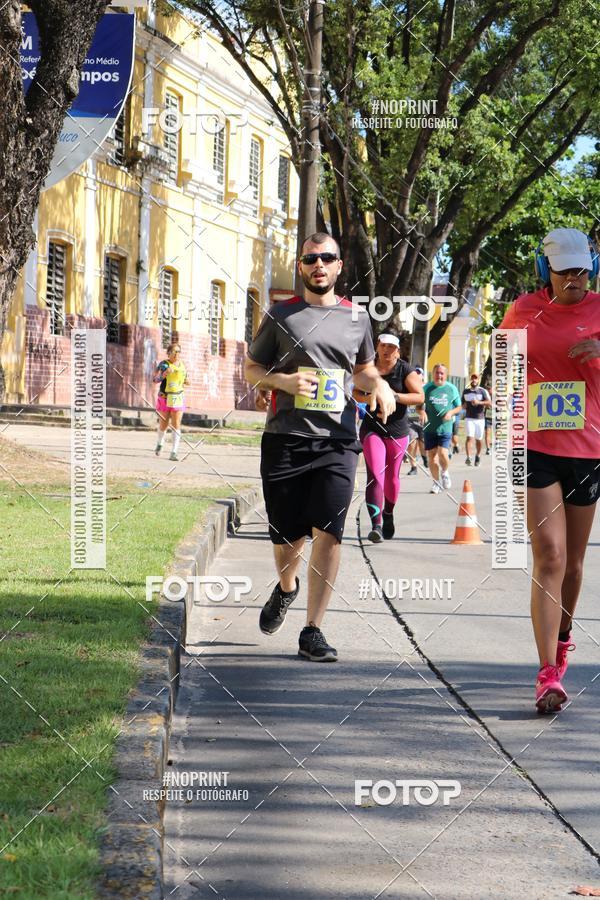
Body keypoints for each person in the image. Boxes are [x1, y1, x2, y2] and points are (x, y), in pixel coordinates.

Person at [244, 232, 396, 662]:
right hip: (285, 438)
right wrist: (282, 381)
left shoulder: (356, 319)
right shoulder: (281, 315)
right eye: (311, 258)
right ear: (301, 266)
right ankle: (286, 588)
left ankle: (313, 630)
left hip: (338, 442)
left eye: (327, 257)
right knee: (287, 537)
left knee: (329, 531)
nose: (319, 265)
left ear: (339, 265)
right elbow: (252, 367)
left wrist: (380, 386)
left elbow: (363, 371)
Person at [499, 227, 600, 713]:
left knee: (575, 564)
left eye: (583, 270)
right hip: (534, 445)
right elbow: (502, 367)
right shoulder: (522, 309)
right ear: (546, 272)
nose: (576, 279)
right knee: (551, 556)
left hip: (586, 448)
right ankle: (546, 675)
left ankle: (562, 640)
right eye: (566, 272)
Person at [353, 334, 424, 542]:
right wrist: (370, 398)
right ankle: (376, 525)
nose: (386, 350)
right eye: (383, 345)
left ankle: (388, 513)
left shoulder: (406, 370)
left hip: (397, 431)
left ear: (398, 351)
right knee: (375, 473)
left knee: (392, 477)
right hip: (371, 428)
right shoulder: (368, 368)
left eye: (391, 347)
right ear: (377, 347)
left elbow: (419, 396)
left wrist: (394, 397)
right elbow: (355, 391)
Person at [422, 364, 463, 493]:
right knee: (432, 456)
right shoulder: (426, 388)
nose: (439, 375)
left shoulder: (451, 388)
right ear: (433, 374)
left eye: (441, 373)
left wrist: (451, 413)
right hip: (429, 427)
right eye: (437, 373)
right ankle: (436, 483)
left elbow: (459, 407)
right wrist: (421, 412)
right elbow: (418, 405)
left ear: (445, 375)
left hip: (445, 426)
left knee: (443, 453)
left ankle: (445, 472)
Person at [154, 342, 190, 461]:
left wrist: (187, 381)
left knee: (176, 424)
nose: (176, 354)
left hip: (178, 397)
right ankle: (160, 443)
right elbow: (155, 379)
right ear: (168, 353)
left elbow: (186, 379)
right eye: (174, 351)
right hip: (164, 397)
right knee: (163, 424)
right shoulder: (164, 364)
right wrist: (164, 374)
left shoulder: (182, 365)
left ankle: (174, 452)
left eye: (178, 351)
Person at [462, 373, 491, 466]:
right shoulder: (465, 391)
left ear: (478, 380)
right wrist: (464, 406)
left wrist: (479, 402)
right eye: (472, 378)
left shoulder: (482, 391)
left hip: (480, 418)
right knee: (469, 437)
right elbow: (462, 403)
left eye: (476, 379)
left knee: (479, 439)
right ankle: (468, 457)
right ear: (470, 380)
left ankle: (478, 456)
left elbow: (489, 403)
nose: (474, 380)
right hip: (469, 418)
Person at [406, 366, 427, 475]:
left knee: (423, 443)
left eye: (419, 373)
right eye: (415, 372)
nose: (417, 374)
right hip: (410, 419)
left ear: (422, 376)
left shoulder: (426, 387)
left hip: (423, 420)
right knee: (411, 444)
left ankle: (425, 458)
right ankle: (414, 467)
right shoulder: (407, 386)